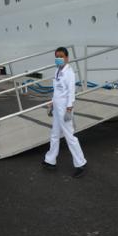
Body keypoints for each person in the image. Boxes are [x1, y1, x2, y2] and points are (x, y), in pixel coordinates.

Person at [42, 47, 87, 178]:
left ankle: (80, 163)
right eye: (57, 56)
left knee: (70, 136)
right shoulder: (57, 71)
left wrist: (69, 109)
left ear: (67, 58)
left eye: (61, 56)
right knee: (54, 134)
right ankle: (50, 160)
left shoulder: (69, 73)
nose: (59, 59)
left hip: (65, 109)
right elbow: (57, 91)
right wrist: (51, 103)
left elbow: (71, 92)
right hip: (57, 107)